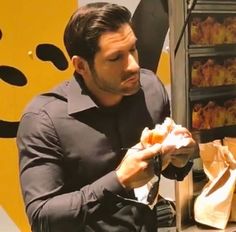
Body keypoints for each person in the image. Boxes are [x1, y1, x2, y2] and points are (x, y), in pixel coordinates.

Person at [17, 3, 196, 232]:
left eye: (133, 49)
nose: (133, 66)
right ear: (80, 65)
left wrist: (180, 159)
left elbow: (166, 168)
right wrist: (119, 180)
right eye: (115, 58)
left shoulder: (150, 89)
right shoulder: (44, 120)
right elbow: (43, 218)